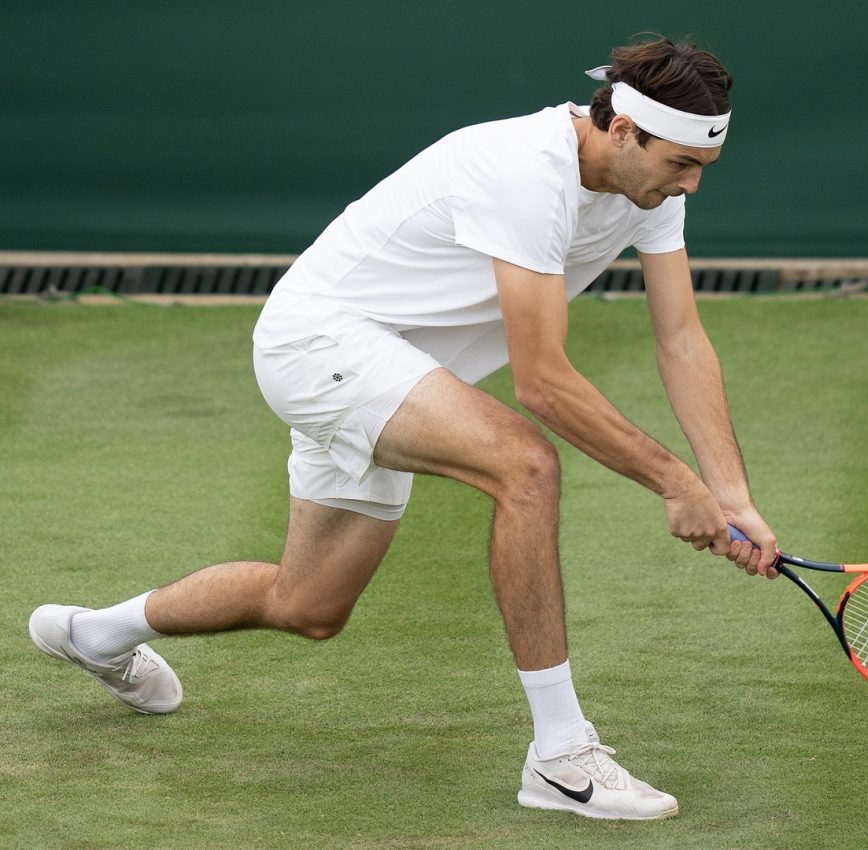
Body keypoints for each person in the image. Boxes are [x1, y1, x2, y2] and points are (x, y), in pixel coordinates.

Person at [28, 36, 778, 821]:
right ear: (624, 130)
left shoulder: (651, 192)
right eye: (680, 163)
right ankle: (560, 756)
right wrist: (673, 481)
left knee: (308, 605)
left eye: (702, 167)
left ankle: (93, 634)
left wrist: (731, 495)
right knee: (526, 465)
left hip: (392, 371)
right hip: (320, 344)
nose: (691, 183)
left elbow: (681, 340)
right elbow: (544, 383)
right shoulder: (525, 171)